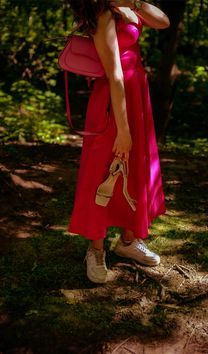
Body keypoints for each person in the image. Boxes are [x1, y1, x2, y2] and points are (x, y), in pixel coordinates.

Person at [68, 0, 169, 283]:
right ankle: (96, 249)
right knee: (102, 171)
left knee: (136, 165)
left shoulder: (126, 7)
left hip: (136, 95)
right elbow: (114, 75)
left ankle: (127, 241)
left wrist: (133, 2)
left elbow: (163, 21)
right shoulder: (101, 14)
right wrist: (123, 131)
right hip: (113, 102)